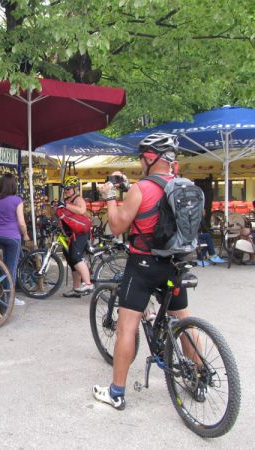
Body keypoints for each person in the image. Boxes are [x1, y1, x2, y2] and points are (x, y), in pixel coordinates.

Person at [93, 132, 193, 410]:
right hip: (175, 263)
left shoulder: (141, 189)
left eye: (141, 157)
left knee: (126, 327)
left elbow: (116, 226)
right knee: (184, 322)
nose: (139, 161)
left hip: (144, 265)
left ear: (150, 158)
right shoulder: (182, 185)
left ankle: (116, 393)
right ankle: (198, 379)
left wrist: (111, 195)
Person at [0, 173, 31, 306]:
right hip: (13, 238)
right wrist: (26, 235)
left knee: (1, 267)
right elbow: (21, 222)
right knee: (11, 268)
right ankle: (11, 297)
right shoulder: (17, 200)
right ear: (13, 185)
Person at [57, 175, 93, 297]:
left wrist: (65, 205)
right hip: (70, 234)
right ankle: (76, 288)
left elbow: (82, 210)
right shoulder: (67, 199)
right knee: (72, 262)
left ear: (75, 189)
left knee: (76, 258)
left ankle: (88, 284)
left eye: (69, 188)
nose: (67, 190)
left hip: (80, 234)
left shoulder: (78, 199)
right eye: (65, 189)